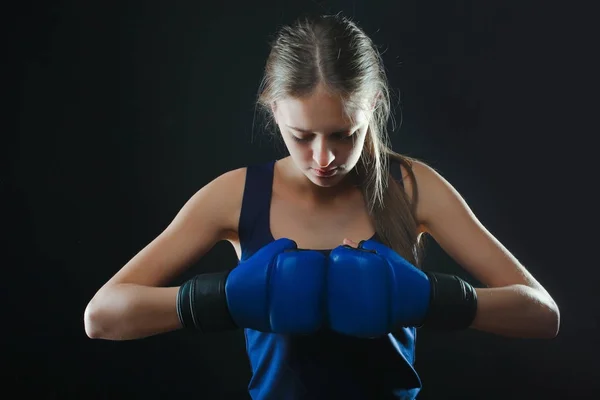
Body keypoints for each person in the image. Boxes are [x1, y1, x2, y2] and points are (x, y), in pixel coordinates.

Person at [84, 14, 560, 400]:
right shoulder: (237, 195)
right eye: (301, 136)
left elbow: (542, 315)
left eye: (343, 134)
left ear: (372, 105)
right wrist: (223, 299)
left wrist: (430, 299)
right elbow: (102, 316)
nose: (324, 157)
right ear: (274, 111)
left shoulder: (412, 187)